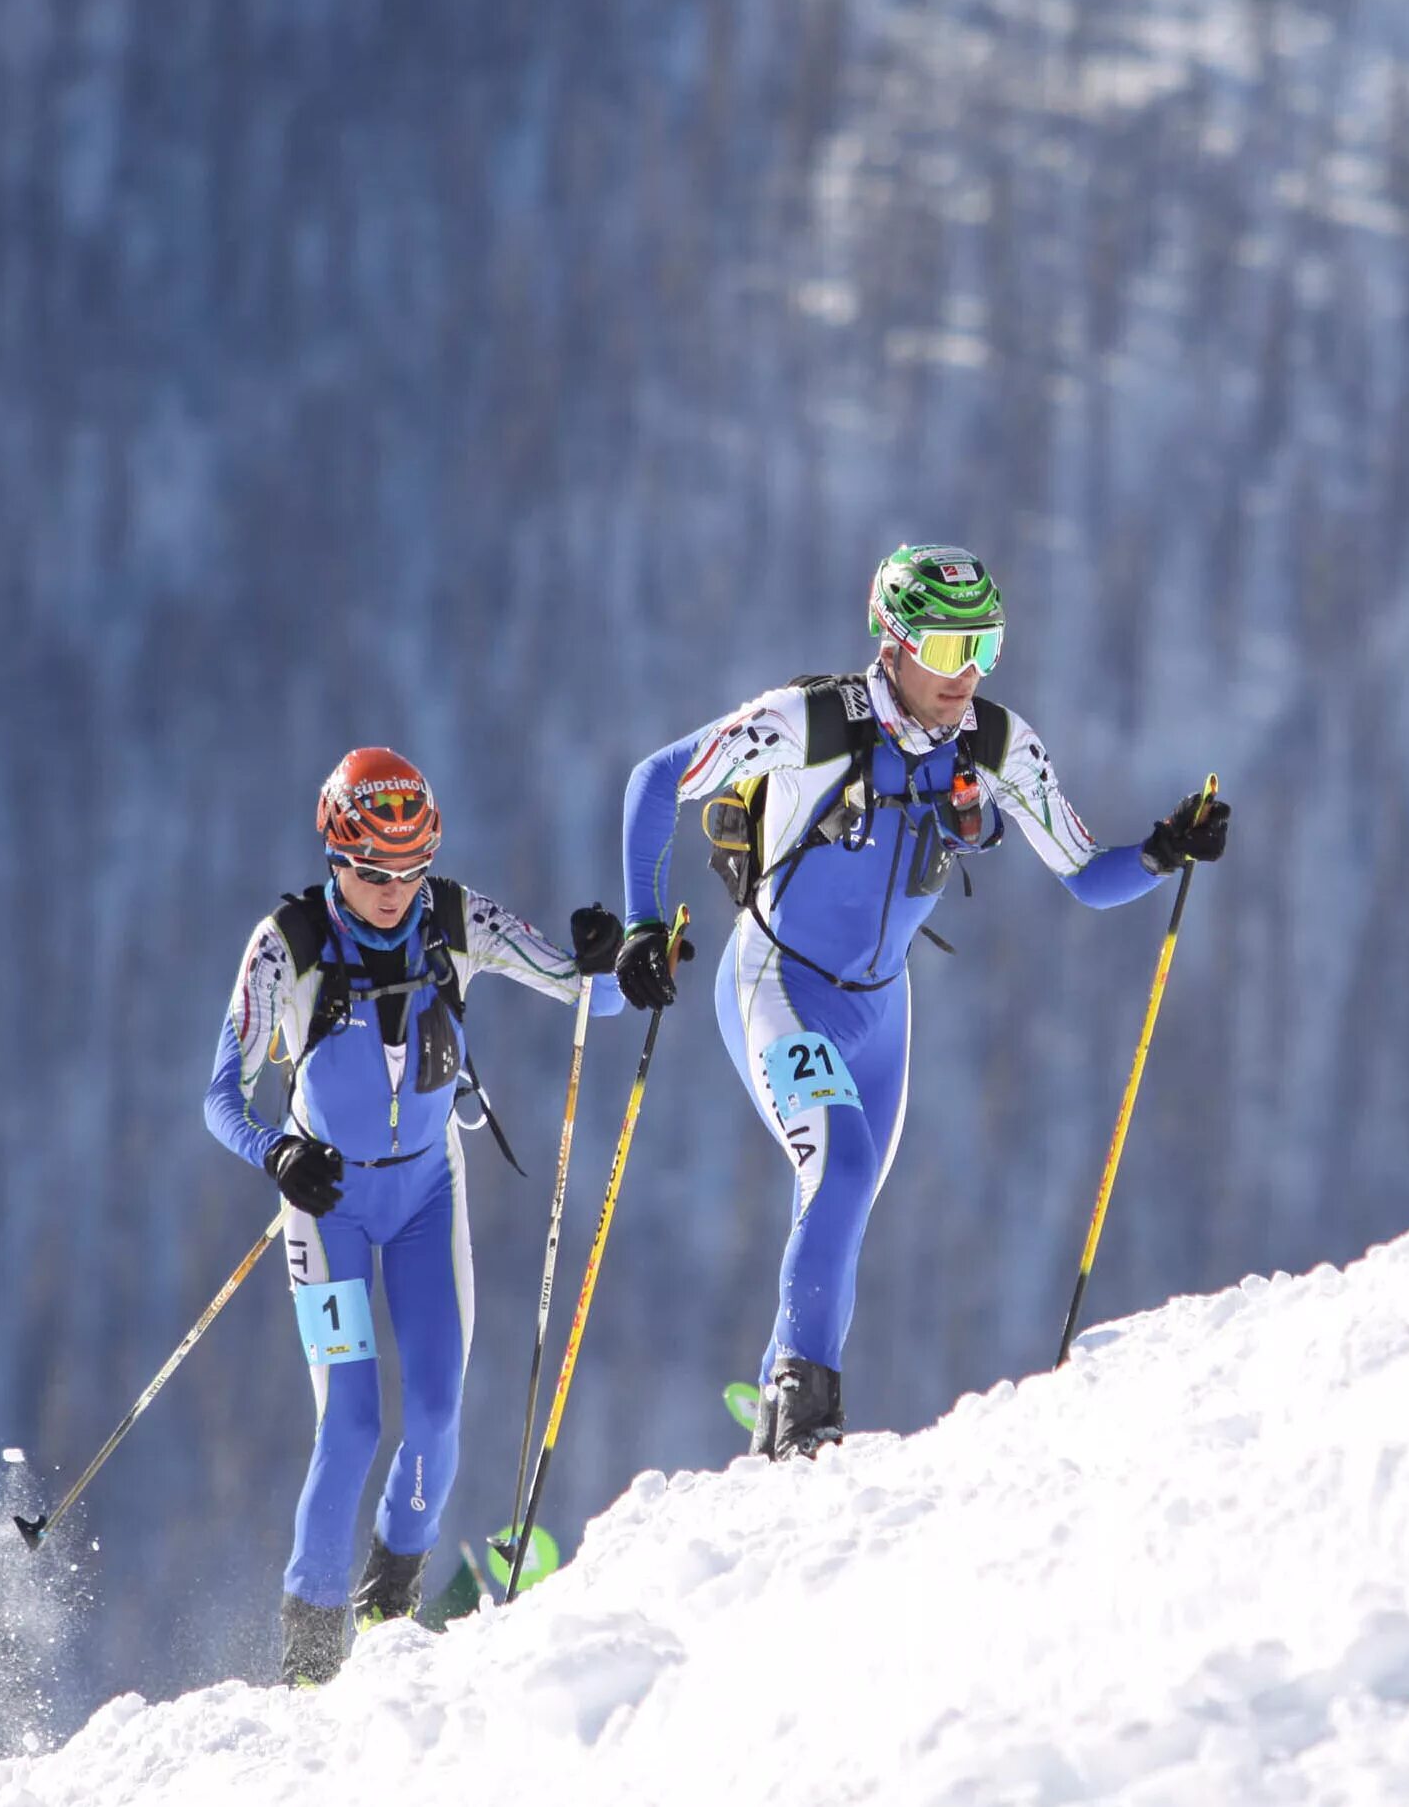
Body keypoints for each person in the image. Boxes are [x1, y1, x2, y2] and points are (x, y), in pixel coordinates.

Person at [612, 545, 1233, 1459]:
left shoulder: (995, 743)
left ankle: (766, 1452)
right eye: (946, 647)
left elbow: (1086, 879)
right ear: (893, 642)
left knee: (838, 1198)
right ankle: (804, 1425)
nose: (966, 673)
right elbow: (655, 777)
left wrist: (1163, 849)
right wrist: (637, 926)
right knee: (844, 1169)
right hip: (778, 985)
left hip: (882, 1013)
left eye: (985, 644)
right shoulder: (811, 720)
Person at [205, 748, 626, 1685]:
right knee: (351, 1422)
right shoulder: (288, 942)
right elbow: (218, 1095)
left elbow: (576, 981)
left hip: (430, 1193)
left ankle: (390, 1599)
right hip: (329, 1211)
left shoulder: (453, 915)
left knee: (436, 1412)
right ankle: (311, 1654)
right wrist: (276, 1151)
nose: (393, 891)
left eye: (409, 870)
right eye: (370, 871)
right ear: (333, 855)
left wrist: (623, 953)